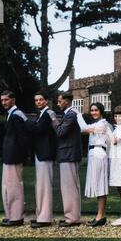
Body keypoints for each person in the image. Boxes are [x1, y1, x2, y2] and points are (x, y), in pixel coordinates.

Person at [49, 92, 82, 227]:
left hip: (69, 155)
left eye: (59, 101)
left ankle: (72, 218)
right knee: (69, 187)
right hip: (67, 154)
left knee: (70, 187)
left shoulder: (71, 114)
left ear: (67, 101)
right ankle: (70, 216)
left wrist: (53, 119)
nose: (58, 104)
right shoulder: (69, 114)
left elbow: (61, 132)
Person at [26, 91, 57, 228]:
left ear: (46, 101)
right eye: (36, 100)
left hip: (45, 154)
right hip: (40, 154)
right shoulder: (41, 115)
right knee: (40, 186)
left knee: (44, 186)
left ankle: (45, 218)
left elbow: (38, 130)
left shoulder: (47, 114)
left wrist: (25, 120)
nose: (38, 102)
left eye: (40, 99)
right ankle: (41, 215)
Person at [79, 102, 111, 227]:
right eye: (91, 110)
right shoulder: (96, 124)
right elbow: (84, 129)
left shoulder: (103, 124)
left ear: (101, 111)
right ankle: (100, 215)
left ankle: (100, 216)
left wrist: (77, 115)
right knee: (98, 184)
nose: (93, 112)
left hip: (99, 153)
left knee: (100, 185)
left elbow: (84, 129)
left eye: (96, 110)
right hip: (93, 153)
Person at [0, 90, 28, 227]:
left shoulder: (17, 115)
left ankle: (16, 217)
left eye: (6, 100)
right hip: (8, 156)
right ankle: (10, 215)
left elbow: (22, 138)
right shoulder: (10, 114)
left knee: (14, 187)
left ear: (13, 100)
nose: (4, 102)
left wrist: (22, 157)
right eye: (2, 100)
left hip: (15, 157)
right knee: (6, 187)